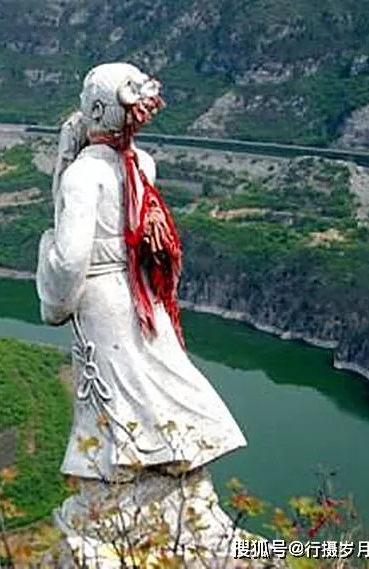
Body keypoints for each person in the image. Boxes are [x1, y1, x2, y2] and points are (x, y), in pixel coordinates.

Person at [36, 63, 249, 561]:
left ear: (94, 108)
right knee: (154, 370)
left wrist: (52, 296)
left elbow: (69, 259)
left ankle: (124, 472)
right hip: (141, 291)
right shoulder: (141, 165)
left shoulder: (84, 175)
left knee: (115, 384)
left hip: (102, 294)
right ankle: (177, 454)